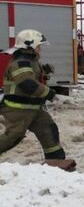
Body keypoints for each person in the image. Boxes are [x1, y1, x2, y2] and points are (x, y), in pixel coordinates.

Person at [0, 29, 66, 160]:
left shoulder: (31, 61)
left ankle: (56, 161)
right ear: (29, 46)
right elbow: (27, 84)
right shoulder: (21, 62)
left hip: (33, 108)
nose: (40, 49)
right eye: (38, 46)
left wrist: (44, 70)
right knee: (13, 136)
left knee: (48, 129)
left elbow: (32, 75)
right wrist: (51, 94)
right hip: (17, 109)